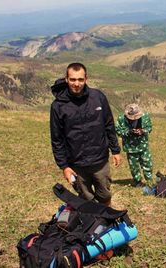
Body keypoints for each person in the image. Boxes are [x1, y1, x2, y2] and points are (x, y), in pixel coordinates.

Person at [50, 62, 121, 206]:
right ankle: (91, 224)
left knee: (105, 194)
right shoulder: (58, 106)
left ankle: (105, 221)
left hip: (99, 160)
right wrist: (64, 166)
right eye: (73, 79)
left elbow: (109, 124)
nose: (77, 84)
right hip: (76, 164)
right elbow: (57, 139)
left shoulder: (98, 97)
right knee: (85, 198)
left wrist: (115, 150)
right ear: (66, 79)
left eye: (80, 79)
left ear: (86, 79)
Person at [115, 103, 153, 187]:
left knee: (147, 164)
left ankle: (150, 181)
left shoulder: (145, 116)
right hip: (130, 147)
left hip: (143, 146)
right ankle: (137, 182)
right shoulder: (121, 118)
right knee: (134, 167)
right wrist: (128, 132)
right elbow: (118, 131)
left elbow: (149, 127)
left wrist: (142, 131)